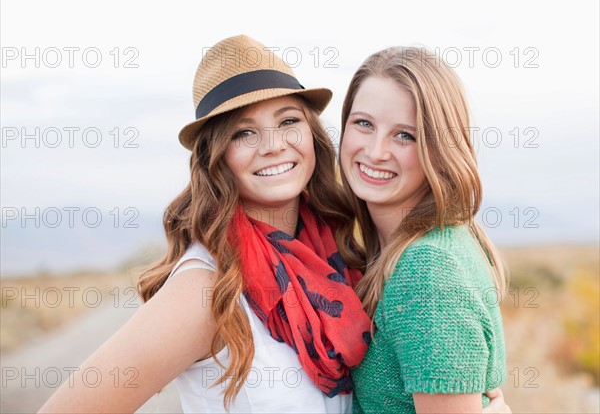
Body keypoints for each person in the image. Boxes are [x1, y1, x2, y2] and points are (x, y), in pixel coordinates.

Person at [39, 36, 510, 414]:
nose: (272, 146)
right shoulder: (207, 288)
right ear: (216, 156)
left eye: (288, 121)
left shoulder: (341, 259)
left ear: (312, 134)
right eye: (244, 132)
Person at [339, 47, 509, 414]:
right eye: (364, 123)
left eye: (405, 136)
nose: (376, 151)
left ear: (439, 148)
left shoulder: (426, 271)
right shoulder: (425, 245)